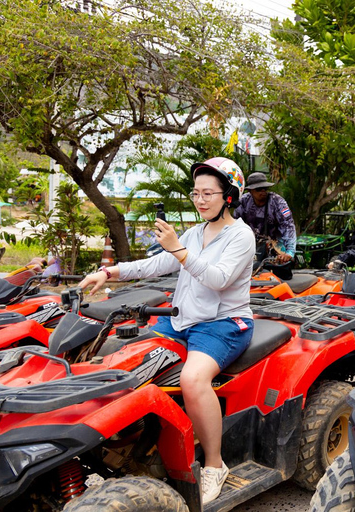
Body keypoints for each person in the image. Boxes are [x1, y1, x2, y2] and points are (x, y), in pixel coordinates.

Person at [79, 157, 256, 504]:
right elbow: (156, 263)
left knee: (192, 380)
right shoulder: (195, 232)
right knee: (125, 359)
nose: (200, 200)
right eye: (196, 193)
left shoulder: (241, 235)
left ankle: (215, 465)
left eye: (209, 193)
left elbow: (218, 279)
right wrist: (109, 273)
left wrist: (177, 248)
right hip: (181, 320)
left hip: (223, 324)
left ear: (229, 197)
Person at [233, 172, 297, 266]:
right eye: (259, 189)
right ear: (250, 191)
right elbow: (235, 225)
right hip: (253, 247)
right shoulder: (244, 201)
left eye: (265, 188)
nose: (263, 191)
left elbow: (288, 226)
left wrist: (289, 253)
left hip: (277, 248)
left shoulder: (278, 202)